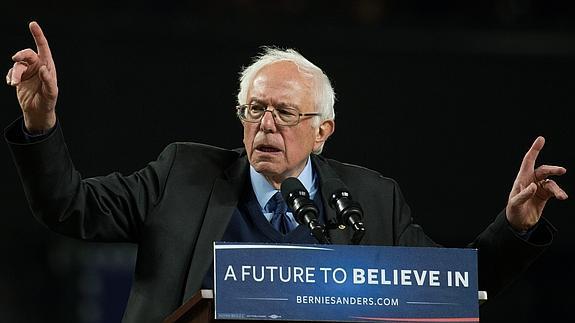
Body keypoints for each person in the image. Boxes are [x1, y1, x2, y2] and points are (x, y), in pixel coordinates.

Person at [4, 21, 568, 323]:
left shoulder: (372, 199)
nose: (266, 125)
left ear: (323, 130)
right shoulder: (183, 176)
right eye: (255, 109)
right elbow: (67, 206)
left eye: (285, 113)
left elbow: (444, 289)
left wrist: (513, 227)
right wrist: (41, 123)